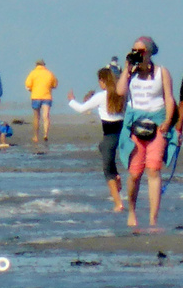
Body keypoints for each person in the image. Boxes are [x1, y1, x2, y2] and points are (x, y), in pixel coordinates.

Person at [116, 36, 176, 228]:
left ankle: (153, 218)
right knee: (134, 173)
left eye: (141, 51)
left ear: (149, 53)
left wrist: (167, 120)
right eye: (135, 50)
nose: (138, 54)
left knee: (153, 169)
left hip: (157, 124)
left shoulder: (161, 72)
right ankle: (132, 212)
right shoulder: (130, 74)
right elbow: (119, 92)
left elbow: (169, 98)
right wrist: (127, 69)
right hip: (135, 125)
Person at [69, 68, 126, 212]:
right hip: (123, 134)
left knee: (108, 171)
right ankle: (117, 177)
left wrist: (71, 100)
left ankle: (118, 203)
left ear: (102, 81)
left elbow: (82, 109)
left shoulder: (102, 96)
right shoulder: (122, 94)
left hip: (110, 135)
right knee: (103, 149)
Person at [24, 59, 57, 143]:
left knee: (36, 117)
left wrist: (32, 89)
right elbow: (54, 85)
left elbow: (28, 85)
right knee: (46, 116)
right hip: (47, 96)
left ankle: (36, 136)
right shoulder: (49, 73)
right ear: (44, 65)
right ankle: (45, 134)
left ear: (36, 65)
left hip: (36, 96)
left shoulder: (33, 73)